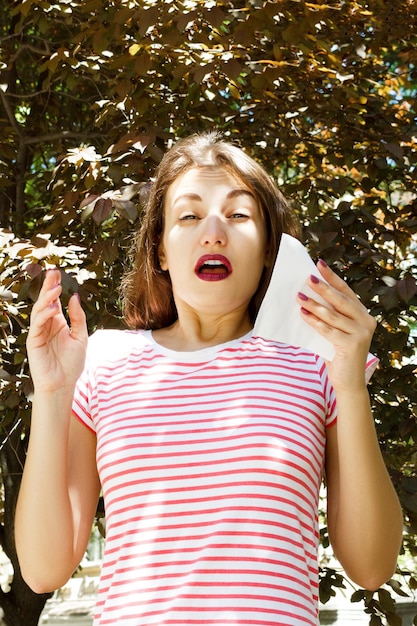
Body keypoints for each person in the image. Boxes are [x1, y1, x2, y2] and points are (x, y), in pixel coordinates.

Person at [15, 132, 403, 626]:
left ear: (268, 251)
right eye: (190, 215)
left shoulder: (320, 364)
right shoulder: (101, 360)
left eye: (239, 215)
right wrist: (51, 394)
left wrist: (349, 383)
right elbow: (43, 569)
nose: (214, 231)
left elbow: (372, 567)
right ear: (158, 249)